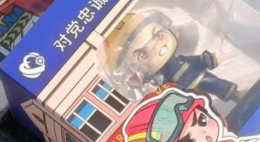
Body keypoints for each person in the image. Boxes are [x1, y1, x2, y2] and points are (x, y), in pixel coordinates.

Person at [103, 10, 240, 103]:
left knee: (216, 84)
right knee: (198, 107)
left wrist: (205, 60)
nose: (157, 47)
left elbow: (191, 61)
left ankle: (235, 95)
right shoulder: (160, 77)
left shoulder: (178, 60)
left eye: (158, 35)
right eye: (142, 54)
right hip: (183, 91)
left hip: (197, 74)